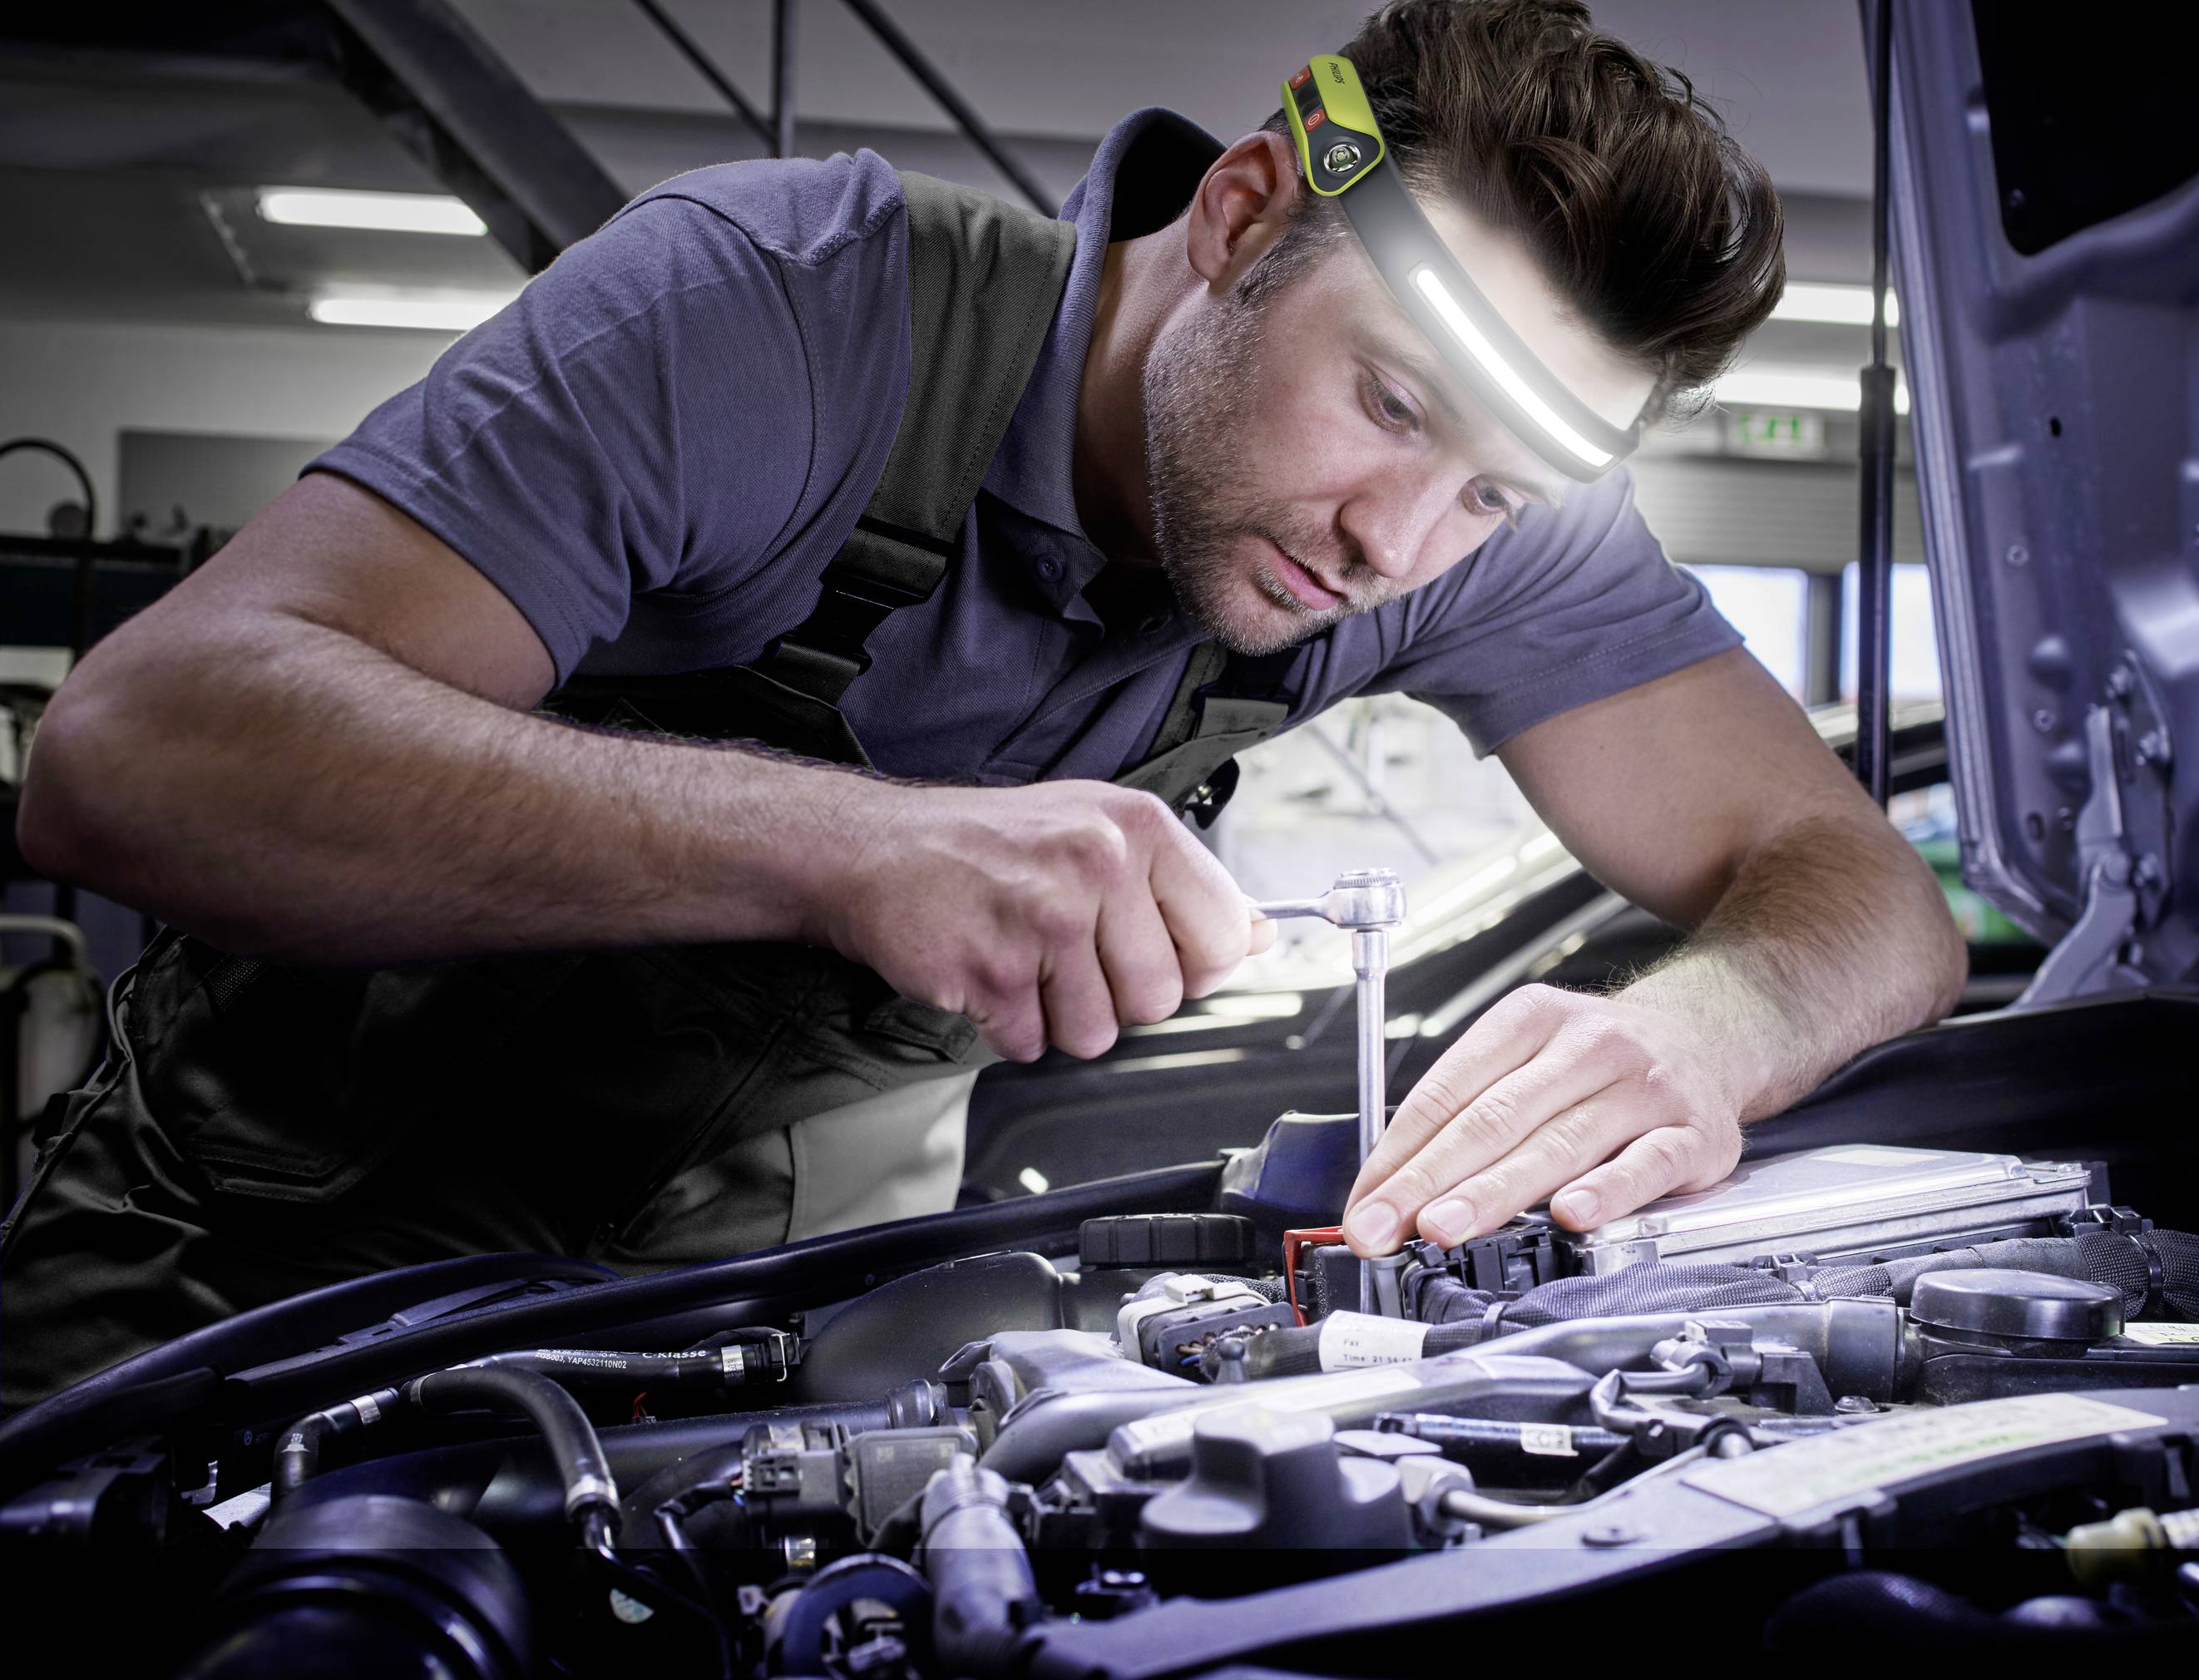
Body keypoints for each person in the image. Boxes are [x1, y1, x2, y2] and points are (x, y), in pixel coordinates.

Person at [2, 0, 1963, 1407]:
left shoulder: (1445, 526)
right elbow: (133, 759)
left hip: (721, 1363)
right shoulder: (777, 309)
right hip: (229, 1291)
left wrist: (1697, 1032)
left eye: (1497, 492)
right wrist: (839, 843)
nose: (1399, 539)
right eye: (1390, 398)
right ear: (1245, 212)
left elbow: (1867, 895)